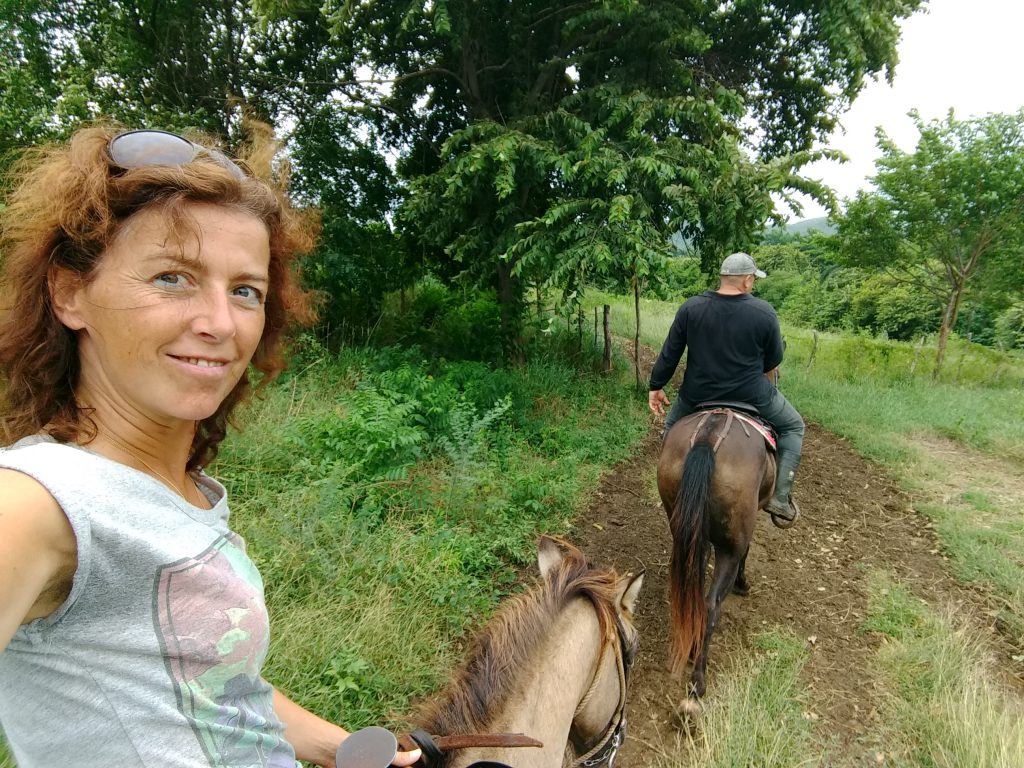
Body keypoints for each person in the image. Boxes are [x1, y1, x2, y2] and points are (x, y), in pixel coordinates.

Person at [0, 126, 422, 768]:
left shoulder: (179, 491)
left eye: (245, 291)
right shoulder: (35, 502)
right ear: (70, 293)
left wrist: (346, 749)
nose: (221, 324)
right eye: (173, 278)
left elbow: (206, 683)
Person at [647, 252, 803, 523]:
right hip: (752, 395)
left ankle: (670, 482)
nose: (752, 283)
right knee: (794, 426)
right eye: (753, 279)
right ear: (746, 281)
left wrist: (656, 385)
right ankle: (780, 498)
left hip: (696, 394)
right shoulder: (764, 312)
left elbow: (670, 353)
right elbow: (773, 360)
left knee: (672, 430)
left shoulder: (691, 308)